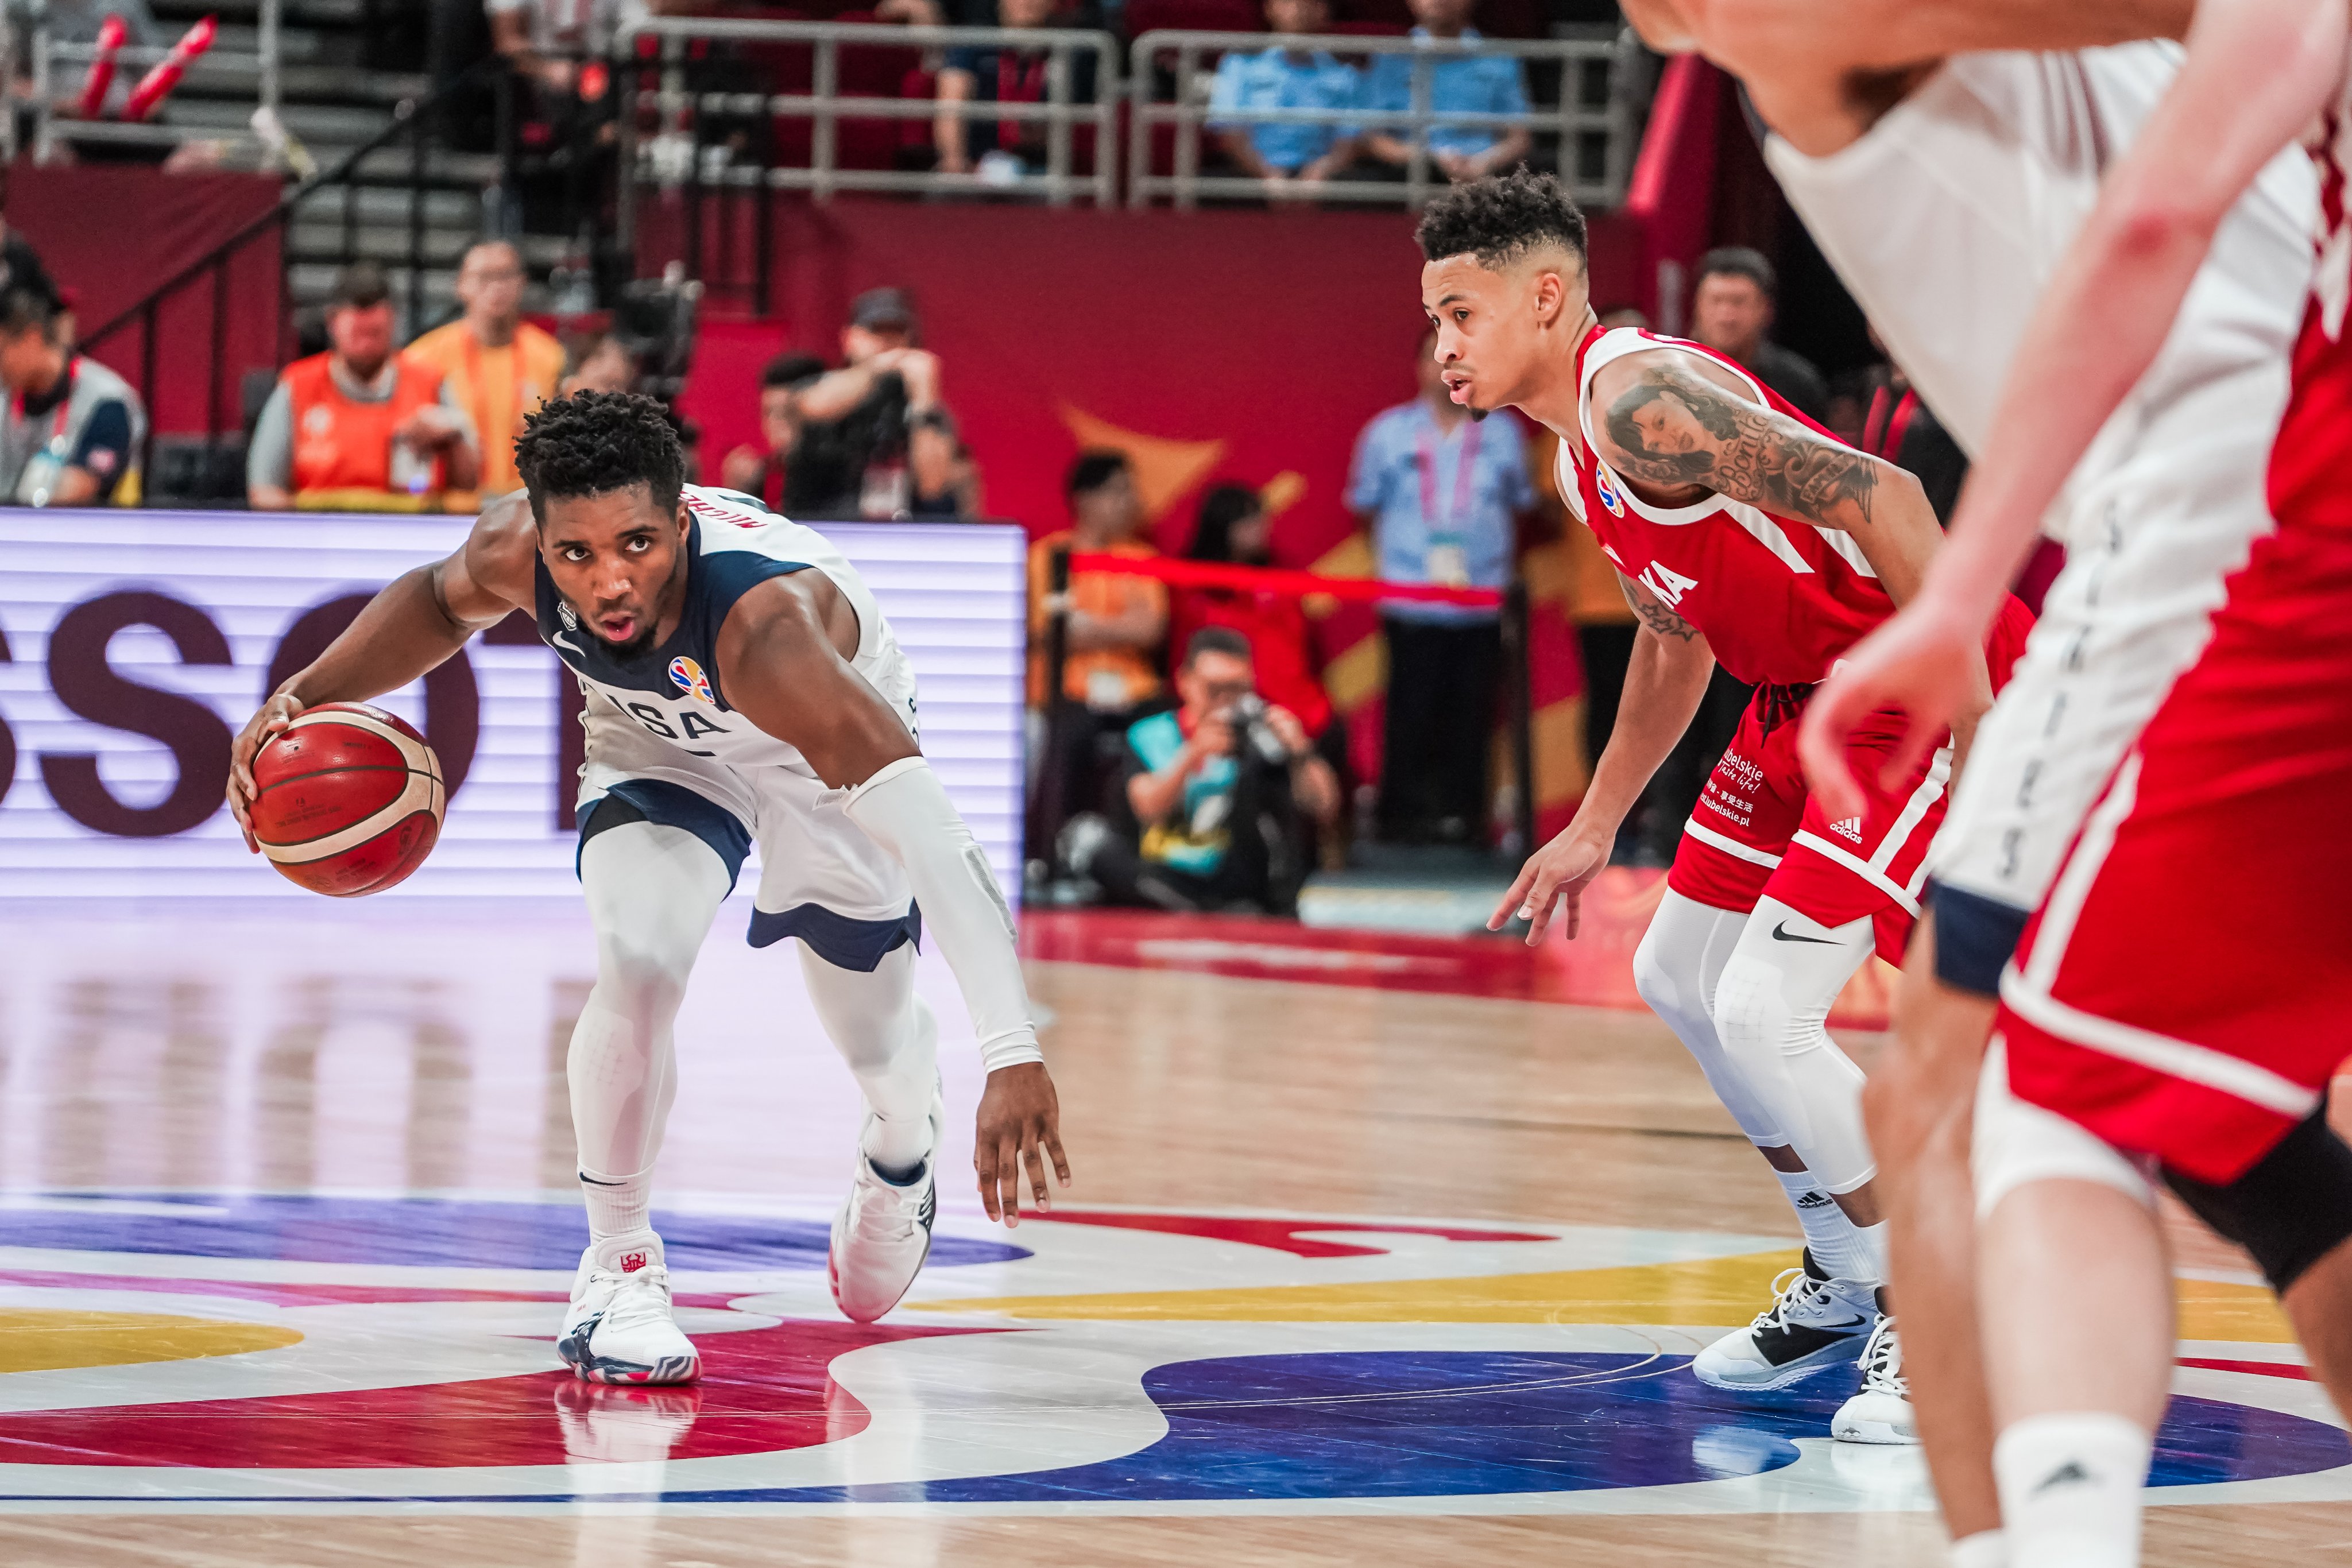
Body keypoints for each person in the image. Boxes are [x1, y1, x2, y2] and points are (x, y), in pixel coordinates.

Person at [1616, 1, 2314, 1557]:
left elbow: (2147, 230)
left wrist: (1957, 599)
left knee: (1988, 1088)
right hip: (2208, 529)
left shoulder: (1799, 44)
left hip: (2229, 551)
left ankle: (2024, 1521)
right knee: (2222, 1118)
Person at [225, 392, 1072, 1383]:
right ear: (541, 539)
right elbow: (432, 601)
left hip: (806, 758)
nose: (608, 580)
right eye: (575, 554)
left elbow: (940, 845)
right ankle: (619, 1270)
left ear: (681, 522)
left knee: (879, 1044)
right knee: (637, 959)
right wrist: (302, 699)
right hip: (657, 747)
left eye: (636, 544)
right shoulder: (516, 549)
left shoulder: (773, 633)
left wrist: (1012, 1055)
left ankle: (899, 1146)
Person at [1421, 169, 2032, 1448]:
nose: (1443, 346)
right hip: (1791, 701)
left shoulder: (1642, 403)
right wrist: (1595, 822)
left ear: (1543, 297)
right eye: (1434, 320)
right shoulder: (1579, 453)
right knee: (1675, 971)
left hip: (1900, 678)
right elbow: (1671, 641)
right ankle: (1840, 1272)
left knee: (1766, 1005)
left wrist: (1978, 723)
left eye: (1460, 314)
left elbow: (1892, 501)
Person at [1347, 328, 1535, 843]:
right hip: (1410, 595)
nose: (1447, 369)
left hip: (1481, 598)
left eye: (1459, 359)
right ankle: (1400, 819)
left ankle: (1467, 819)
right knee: (1408, 709)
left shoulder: (1503, 433)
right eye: (1437, 359)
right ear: (1419, 368)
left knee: (1472, 712)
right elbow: (1365, 509)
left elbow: (1523, 506)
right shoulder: (1387, 433)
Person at [1066, 627, 1341, 915]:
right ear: (1186, 682)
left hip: (1239, 883)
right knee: (1087, 839)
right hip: (1163, 873)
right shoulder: (1151, 735)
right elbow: (1147, 809)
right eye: (1215, 689)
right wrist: (1193, 756)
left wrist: (1299, 752)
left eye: (1238, 689)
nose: (1225, 701)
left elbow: (1324, 806)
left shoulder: (1263, 738)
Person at [1026, 450, 1170, 856]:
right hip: (1069, 689)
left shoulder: (1142, 559)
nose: (1131, 501)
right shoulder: (1046, 556)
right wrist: (1117, 628)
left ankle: (1143, 852)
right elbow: (1046, 632)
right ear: (1085, 498)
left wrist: (1085, 625)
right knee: (1065, 734)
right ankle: (1048, 855)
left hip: (1135, 690)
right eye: (1119, 491)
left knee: (1164, 729)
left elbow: (1150, 630)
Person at [247, 264, 480, 512]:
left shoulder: (430, 382)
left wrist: (453, 437)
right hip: (320, 536)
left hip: (409, 536)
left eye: (375, 333)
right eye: (358, 333)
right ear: (332, 323)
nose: (367, 345)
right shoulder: (297, 385)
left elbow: (468, 486)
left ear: (393, 322)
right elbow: (264, 491)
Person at [772, 289, 962, 519]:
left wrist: (924, 398)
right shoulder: (816, 386)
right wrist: (876, 368)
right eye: (876, 331)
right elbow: (816, 407)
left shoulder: (921, 407)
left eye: (897, 332)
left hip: (895, 535)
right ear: (849, 338)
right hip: (818, 528)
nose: (888, 342)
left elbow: (933, 486)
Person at [404, 239, 566, 505]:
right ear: (461, 286)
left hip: (525, 509)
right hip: (451, 512)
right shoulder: (423, 357)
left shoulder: (550, 357)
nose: (496, 288)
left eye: (505, 276)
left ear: (522, 283)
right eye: (484, 277)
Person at [1170, 483, 1335, 743]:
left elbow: (1299, 649)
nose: (1261, 529)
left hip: (1298, 710)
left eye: (1261, 519)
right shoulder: (1192, 588)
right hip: (1229, 712)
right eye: (1248, 522)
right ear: (1222, 527)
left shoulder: (1282, 579)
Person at [1358, 0, 1532, 184]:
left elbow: (1519, 138)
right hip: (1408, 177)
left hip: (1483, 179)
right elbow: (1373, 139)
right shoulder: (1388, 59)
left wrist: (1483, 163)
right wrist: (1427, 159)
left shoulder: (1501, 59)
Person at [0, 287, 144, 505]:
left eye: (1, 350)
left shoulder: (107, 400)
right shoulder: (6, 392)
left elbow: (81, 487)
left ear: (32, 339)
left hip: (75, 533)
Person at [935, 0, 1098, 182]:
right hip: (974, 167)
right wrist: (955, 161)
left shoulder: (1069, 52)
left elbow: (1076, 122)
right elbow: (951, 102)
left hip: (1040, 172)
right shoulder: (974, 44)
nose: (1027, 2)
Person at [1207, 0, 1364, 187]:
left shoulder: (1343, 70)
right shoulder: (1241, 62)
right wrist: (1265, 175)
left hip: (1322, 177)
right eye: (1287, 3)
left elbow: (1351, 136)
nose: (1297, 11)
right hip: (1252, 172)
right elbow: (1230, 132)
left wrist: (1322, 172)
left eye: (1306, 4)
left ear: (1322, 10)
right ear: (1270, 9)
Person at [1688, 247, 1831, 425]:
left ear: (1766, 309)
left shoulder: (1798, 385)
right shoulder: (1673, 372)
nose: (1726, 316)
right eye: (1716, 300)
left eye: (1738, 302)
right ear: (1697, 306)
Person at [719, 351, 827, 508]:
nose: (774, 425)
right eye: (768, 413)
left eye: (787, 413)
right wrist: (740, 496)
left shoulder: (842, 476)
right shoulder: (767, 478)